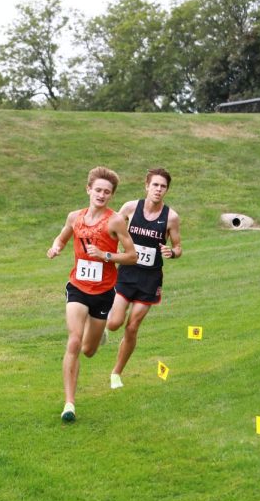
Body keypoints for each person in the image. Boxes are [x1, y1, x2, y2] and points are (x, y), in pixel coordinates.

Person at [47, 167, 138, 422]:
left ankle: (99, 337)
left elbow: (132, 256)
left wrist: (106, 255)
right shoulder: (75, 217)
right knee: (74, 340)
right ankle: (69, 404)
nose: (101, 195)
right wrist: (55, 247)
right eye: (98, 190)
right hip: (77, 287)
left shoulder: (115, 221)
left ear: (112, 196)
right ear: (88, 189)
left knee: (88, 349)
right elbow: (63, 237)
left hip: (103, 293)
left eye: (107, 192)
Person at [106, 168, 182, 389]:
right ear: (146, 186)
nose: (158, 190)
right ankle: (102, 325)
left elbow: (178, 246)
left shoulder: (171, 217)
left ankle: (116, 373)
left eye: (163, 186)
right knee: (114, 324)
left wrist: (172, 252)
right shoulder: (131, 208)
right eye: (155, 185)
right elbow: (111, 229)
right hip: (127, 273)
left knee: (132, 327)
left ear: (167, 190)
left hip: (150, 279)